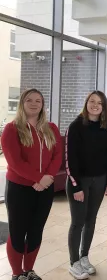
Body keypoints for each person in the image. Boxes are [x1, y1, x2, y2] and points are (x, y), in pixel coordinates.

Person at [1, 89, 62, 280]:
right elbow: (14, 161)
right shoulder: (12, 128)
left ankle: (29, 270)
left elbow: (58, 154)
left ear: (43, 104)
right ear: (22, 103)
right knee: (18, 231)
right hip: (19, 188)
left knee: (36, 231)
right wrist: (38, 178)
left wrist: (48, 177)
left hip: (44, 188)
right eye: (29, 100)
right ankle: (17, 273)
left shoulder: (51, 128)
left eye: (38, 100)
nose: (34, 103)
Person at [65, 91, 107, 279]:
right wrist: (76, 186)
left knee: (91, 220)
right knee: (77, 222)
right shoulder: (76, 126)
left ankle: (84, 256)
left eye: (99, 102)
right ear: (86, 103)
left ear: (104, 107)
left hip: (100, 180)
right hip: (79, 182)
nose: (95, 105)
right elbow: (70, 159)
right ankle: (74, 262)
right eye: (92, 101)